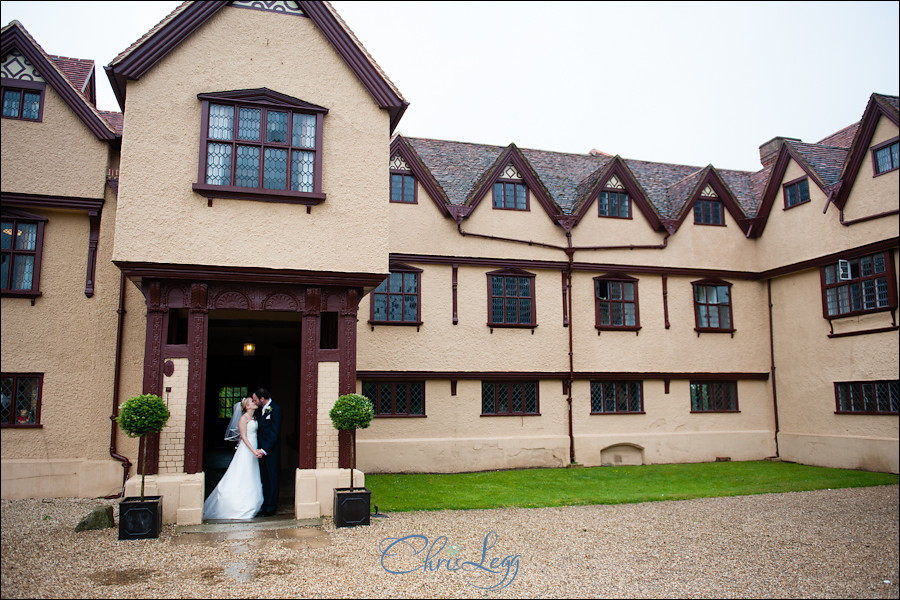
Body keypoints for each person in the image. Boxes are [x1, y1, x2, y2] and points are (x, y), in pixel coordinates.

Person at [202, 396, 264, 520]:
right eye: (252, 402)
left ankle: (252, 501)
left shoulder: (254, 418)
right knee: (242, 474)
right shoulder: (243, 418)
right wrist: (253, 451)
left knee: (252, 474)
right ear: (247, 406)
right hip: (247, 450)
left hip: (254, 448)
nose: (254, 402)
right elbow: (244, 437)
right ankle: (235, 505)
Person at [253, 388, 282, 517]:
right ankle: (265, 504)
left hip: (271, 451)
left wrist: (265, 450)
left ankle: (271, 506)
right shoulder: (260, 410)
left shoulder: (275, 409)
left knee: (272, 477)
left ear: (262, 399)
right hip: (261, 451)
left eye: (255, 400)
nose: (255, 402)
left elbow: (275, 432)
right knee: (264, 478)